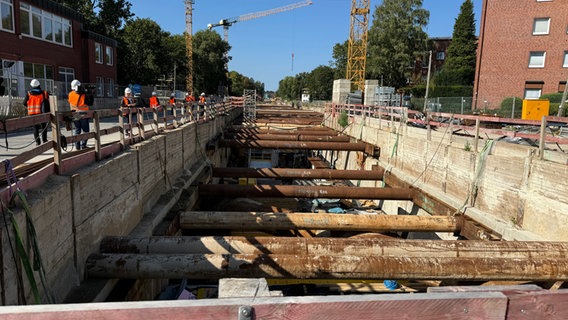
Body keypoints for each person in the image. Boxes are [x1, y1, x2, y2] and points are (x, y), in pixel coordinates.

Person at [23, 79, 50, 146]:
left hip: (32, 113)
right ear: (39, 85)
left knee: (35, 128)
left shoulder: (29, 93)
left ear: (32, 86)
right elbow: (48, 102)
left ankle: (37, 142)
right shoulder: (44, 93)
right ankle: (44, 140)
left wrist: (29, 106)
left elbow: (24, 103)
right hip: (41, 113)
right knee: (44, 126)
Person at [67, 79, 92, 150]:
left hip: (74, 114)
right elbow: (89, 102)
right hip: (83, 114)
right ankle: (83, 145)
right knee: (86, 131)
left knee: (77, 130)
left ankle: (77, 147)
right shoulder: (83, 94)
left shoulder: (70, 94)